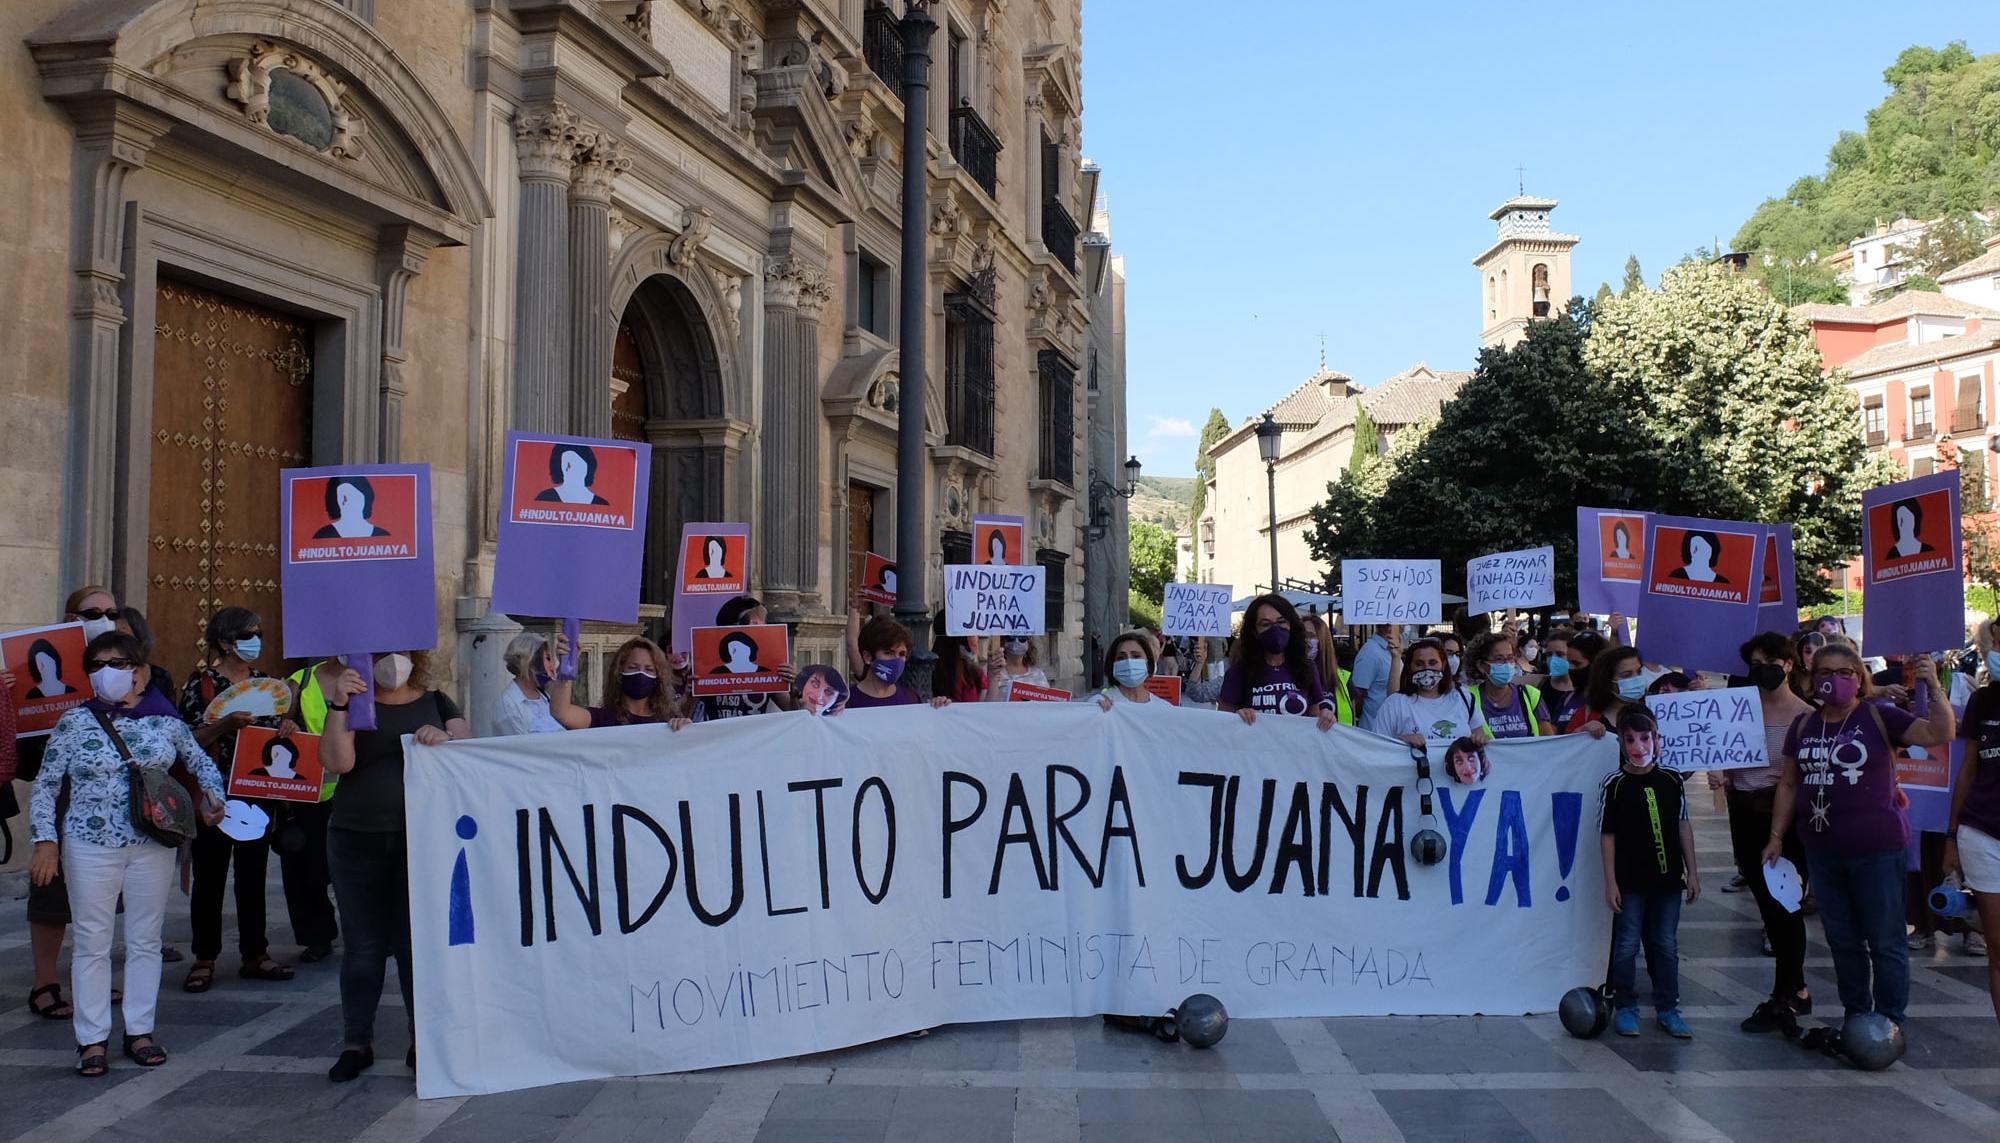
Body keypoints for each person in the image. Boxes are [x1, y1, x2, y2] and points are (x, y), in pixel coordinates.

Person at [29, 631, 226, 1076]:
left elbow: (199, 761)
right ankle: (91, 1038)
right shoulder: (74, 721)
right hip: (88, 844)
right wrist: (46, 840)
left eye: (116, 663)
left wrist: (215, 799)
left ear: (139, 671)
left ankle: (139, 1030)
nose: (106, 673)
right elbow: (46, 784)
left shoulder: (164, 721)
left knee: (144, 940)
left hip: (151, 845)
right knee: (92, 943)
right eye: (96, 665)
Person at [1764, 644, 1955, 1037]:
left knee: (1885, 940)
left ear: (1859, 677)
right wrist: (1776, 836)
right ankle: (1856, 1015)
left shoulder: (1878, 715)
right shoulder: (1803, 725)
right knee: (1842, 939)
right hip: (1822, 851)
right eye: (1825, 672)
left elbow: (1940, 732)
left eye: (1845, 671)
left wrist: (1933, 686)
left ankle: (1890, 1022)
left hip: (1877, 850)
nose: (1834, 679)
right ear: (1812, 678)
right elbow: (1787, 783)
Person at [314, 651, 470, 1082]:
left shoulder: (437, 702)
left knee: (411, 944)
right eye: (379, 652)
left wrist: (444, 741)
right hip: (353, 837)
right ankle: (355, 1042)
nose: (391, 659)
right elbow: (337, 762)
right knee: (362, 947)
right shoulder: (353, 703)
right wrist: (340, 706)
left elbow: (469, 752)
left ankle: (422, 1041)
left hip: (419, 842)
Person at [178, 607, 296, 992]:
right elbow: (188, 739)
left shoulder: (267, 684)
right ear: (226, 642)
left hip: (255, 789)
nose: (255, 641)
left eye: (258, 633)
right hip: (215, 790)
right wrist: (226, 724)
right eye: (247, 634)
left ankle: (255, 953)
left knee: (252, 873)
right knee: (209, 875)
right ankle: (205, 956)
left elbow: (279, 733)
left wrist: (287, 727)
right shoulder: (202, 685)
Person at [21, 586, 125, 1022]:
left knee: (103, 894)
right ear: (68, 617)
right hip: (60, 798)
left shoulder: (121, 670)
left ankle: (93, 974)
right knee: (51, 892)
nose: (102, 617)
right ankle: (45, 982)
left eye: (110, 612)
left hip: (110, 802)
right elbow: (27, 762)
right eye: (91, 612)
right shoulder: (29, 684)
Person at [1730, 632, 1815, 1033]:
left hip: (1783, 820)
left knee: (1785, 905)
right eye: (1755, 663)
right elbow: (1725, 755)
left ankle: (1790, 991)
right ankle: (1790, 988)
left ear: (1788, 665)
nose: (1762, 669)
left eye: (1770, 661)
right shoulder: (1737, 710)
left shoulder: (1806, 715)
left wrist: (1779, 831)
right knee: (1765, 904)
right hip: (1743, 813)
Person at [1600, 708, 1699, 1038]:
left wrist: (1693, 873)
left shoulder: (1671, 779)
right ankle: (1626, 1005)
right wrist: (1611, 881)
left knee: (1665, 945)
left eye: (1645, 738)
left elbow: (1683, 825)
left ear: (1658, 741)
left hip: (1668, 880)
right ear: (1621, 743)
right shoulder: (1614, 785)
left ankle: (1668, 1007)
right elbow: (1607, 835)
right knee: (1626, 944)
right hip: (1630, 882)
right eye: (1630, 740)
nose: (1638, 746)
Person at [1947, 620, 2000, 1020]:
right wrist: (1951, 836)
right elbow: (1967, 771)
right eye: (1997, 644)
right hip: (1982, 832)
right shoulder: (1983, 701)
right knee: (1997, 947)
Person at [280, 658, 343, 964]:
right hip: (307, 793)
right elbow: (278, 724)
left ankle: (366, 931)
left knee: (351, 868)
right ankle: (317, 937)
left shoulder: (370, 680)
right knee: (306, 870)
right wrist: (286, 726)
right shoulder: (299, 681)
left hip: (351, 790)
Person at [1216, 594, 1338, 732]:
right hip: (1254, 751)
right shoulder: (1238, 672)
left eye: (1281, 622)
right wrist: (1237, 717)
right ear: (1254, 631)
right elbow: (1223, 724)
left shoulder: (1307, 667)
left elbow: (1316, 719)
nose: (1275, 629)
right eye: (1266, 624)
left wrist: (1326, 716)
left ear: (1291, 626)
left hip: (1296, 751)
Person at [689, 597, 793, 721]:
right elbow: (681, 714)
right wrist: (689, 693)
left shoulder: (768, 667)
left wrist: (794, 688)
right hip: (718, 737)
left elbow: (793, 711)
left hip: (755, 738)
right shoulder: (708, 668)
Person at [550, 636, 690, 728]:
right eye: (633, 667)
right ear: (619, 672)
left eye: (649, 669)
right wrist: (566, 668)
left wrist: (685, 729)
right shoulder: (602, 719)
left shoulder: (667, 721)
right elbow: (562, 713)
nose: (641, 673)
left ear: (658, 678)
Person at [1372, 639, 1479, 747]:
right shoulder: (1394, 704)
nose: (1427, 668)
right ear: (1409, 667)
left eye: (1433, 663)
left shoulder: (1463, 697)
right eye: (1419, 664)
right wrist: (1400, 742)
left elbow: (1479, 737)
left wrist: (1480, 739)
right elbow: (1377, 747)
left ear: (1443, 664)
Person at [848, 617, 951, 709]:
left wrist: (937, 708)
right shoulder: (846, 702)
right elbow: (852, 645)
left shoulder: (911, 699)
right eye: (888, 653)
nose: (896, 660)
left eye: (902, 654)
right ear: (868, 657)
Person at [1466, 633, 1552, 739]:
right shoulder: (1468, 698)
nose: (1507, 663)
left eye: (1510, 658)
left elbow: (1548, 741)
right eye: (1499, 659)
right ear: (1481, 666)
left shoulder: (1530, 695)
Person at [493, 632, 566, 736]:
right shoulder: (509, 705)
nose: (552, 666)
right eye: (548, 659)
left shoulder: (545, 696)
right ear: (530, 662)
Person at [1573, 645, 1646, 737]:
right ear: (1606, 680)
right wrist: (1581, 732)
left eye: (1639, 672)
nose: (1636, 678)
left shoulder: (1654, 710)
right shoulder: (1584, 715)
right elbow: (1567, 748)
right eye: (1627, 675)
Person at [1300, 614, 1360, 725]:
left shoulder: (1343, 679)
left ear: (1323, 641)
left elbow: (1352, 721)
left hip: (1336, 741)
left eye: (1310, 636)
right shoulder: (1289, 675)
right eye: (1301, 636)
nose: (1305, 641)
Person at [1347, 624, 1402, 727]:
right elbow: (1358, 693)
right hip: (1373, 728)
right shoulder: (1370, 652)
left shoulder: (1392, 650)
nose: (1403, 627)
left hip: (1391, 727)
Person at [1096, 632, 1169, 708]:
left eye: (1136, 656)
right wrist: (1095, 709)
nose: (1129, 662)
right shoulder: (1101, 703)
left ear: (1148, 663)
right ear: (1112, 664)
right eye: (1121, 658)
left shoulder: (1163, 708)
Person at [313, 476, 390, 539]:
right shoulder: (323, 535)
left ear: (364, 498)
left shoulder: (382, 535)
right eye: (341, 497)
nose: (345, 502)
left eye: (350, 495)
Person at [534, 444, 608, 505]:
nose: (567, 468)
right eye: (565, 463)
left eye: (573, 463)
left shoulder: (601, 503)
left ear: (587, 467)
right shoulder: (545, 497)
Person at [986, 635, 1051, 702]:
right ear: (1003, 641)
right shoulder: (993, 672)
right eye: (1011, 638)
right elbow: (987, 708)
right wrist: (993, 678)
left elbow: (1047, 705)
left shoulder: (1038, 675)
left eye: (1022, 638)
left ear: (1028, 642)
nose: (1016, 642)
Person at [933, 629, 988, 704]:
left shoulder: (976, 674)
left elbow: (988, 708)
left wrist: (994, 676)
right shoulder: (932, 672)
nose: (975, 639)